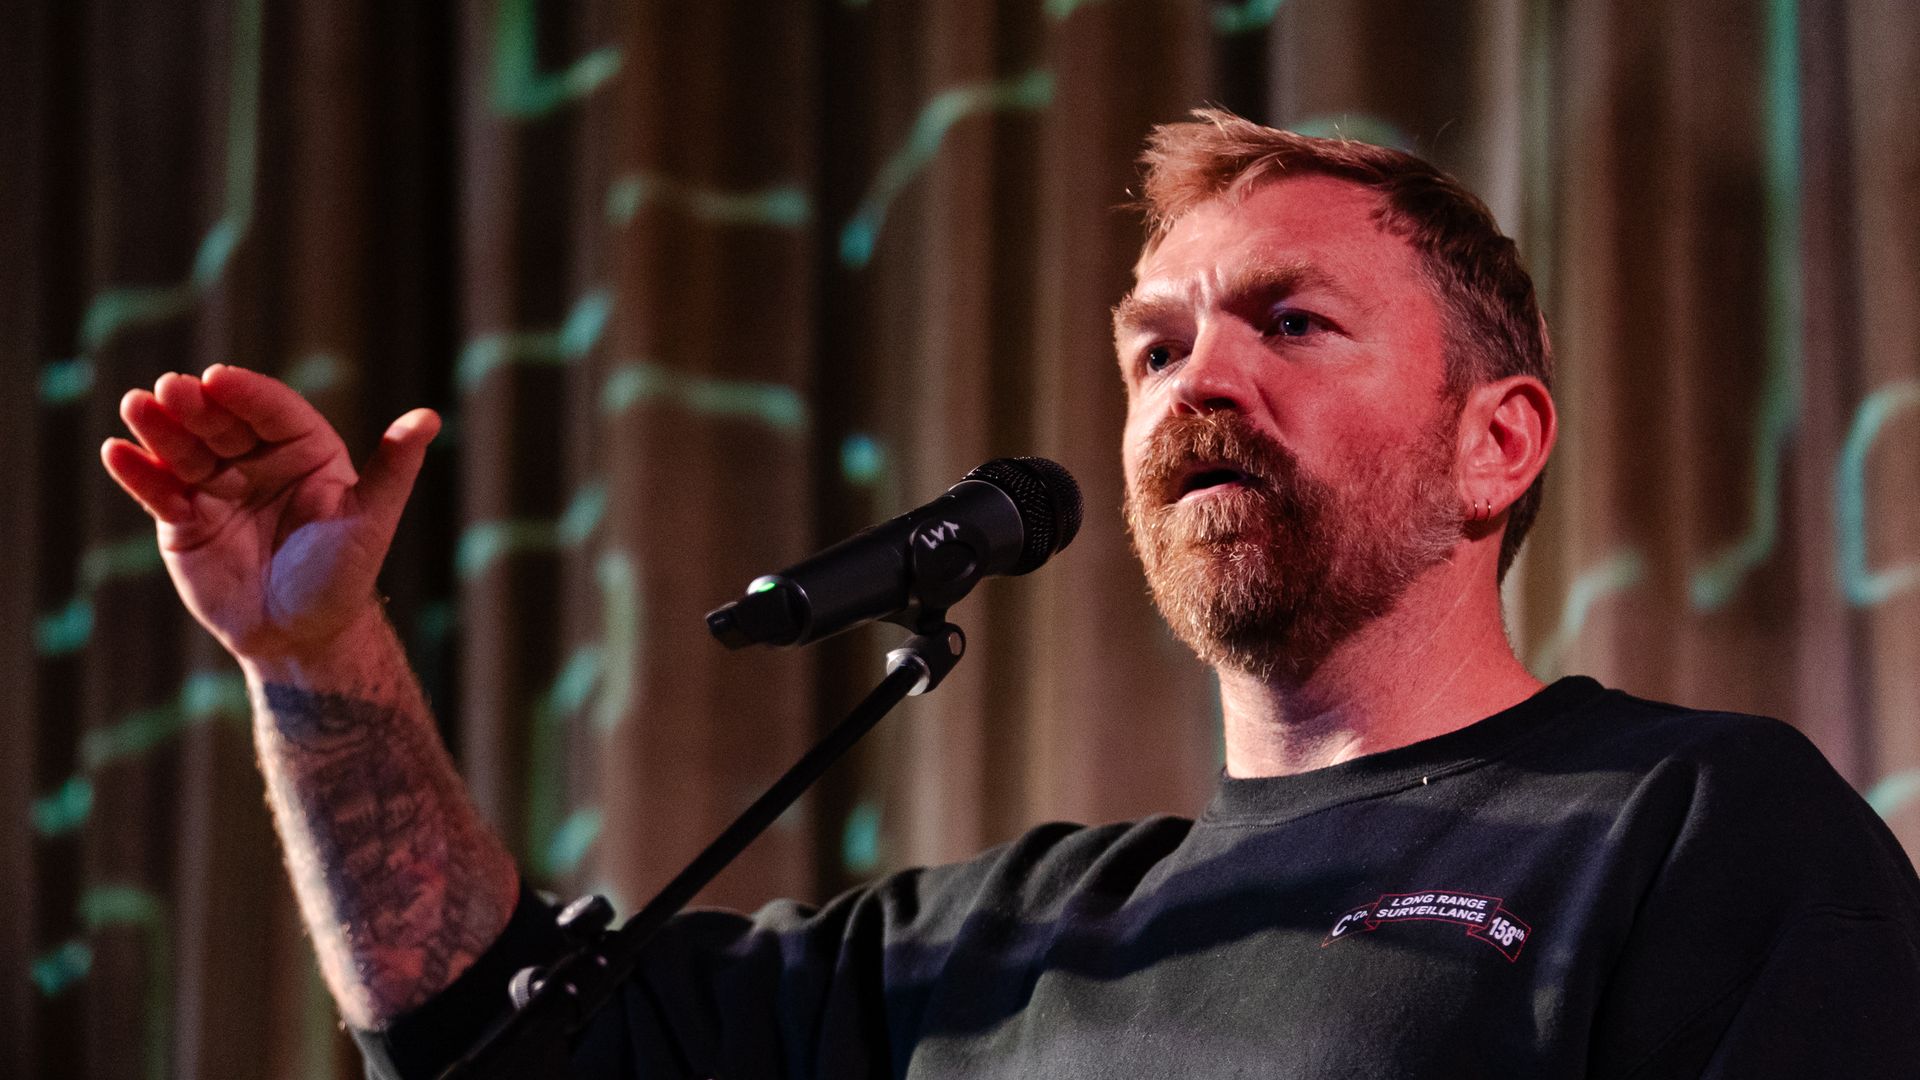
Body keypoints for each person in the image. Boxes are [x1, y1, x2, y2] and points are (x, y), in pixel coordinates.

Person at [103, 109, 1920, 1078]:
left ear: (1496, 445)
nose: (1197, 382)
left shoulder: (1695, 828)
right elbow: (485, 1041)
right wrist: (314, 656)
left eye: (1290, 321)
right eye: (1153, 349)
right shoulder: (987, 950)